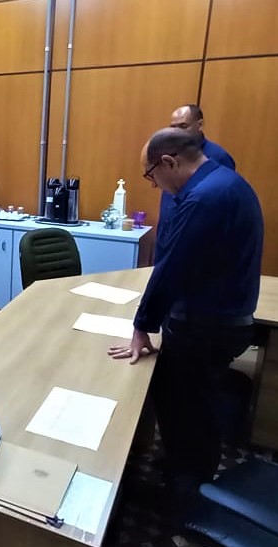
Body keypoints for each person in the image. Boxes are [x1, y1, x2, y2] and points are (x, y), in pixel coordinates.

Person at [108, 128, 263, 516]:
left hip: (205, 326)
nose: (154, 184)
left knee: (185, 409)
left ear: (169, 162)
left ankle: (185, 497)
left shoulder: (202, 199)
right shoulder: (227, 182)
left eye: (151, 175)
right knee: (194, 404)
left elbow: (172, 267)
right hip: (226, 318)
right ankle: (185, 472)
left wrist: (142, 326)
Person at [156, 104, 237, 258]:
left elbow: (221, 207)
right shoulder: (168, 153)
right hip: (168, 231)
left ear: (199, 125)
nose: (177, 132)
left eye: (183, 126)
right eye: (173, 127)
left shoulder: (218, 157)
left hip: (195, 237)